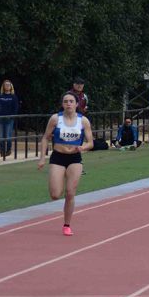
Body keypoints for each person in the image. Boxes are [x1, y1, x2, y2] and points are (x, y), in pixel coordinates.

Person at [37, 92, 94, 235]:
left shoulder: (83, 121)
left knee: (70, 193)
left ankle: (67, 225)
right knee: (55, 194)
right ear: (62, 104)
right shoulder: (56, 119)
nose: (68, 103)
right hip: (58, 157)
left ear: (76, 104)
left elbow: (91, 142)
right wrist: (42, 158)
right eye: (65, 101)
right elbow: (45, 138)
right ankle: (57, 180)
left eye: (71, 101)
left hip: (74, 159)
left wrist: (83, 147)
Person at [0, 79, 19, 159]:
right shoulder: (0, 96)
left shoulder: (13, 97)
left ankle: (8, 150)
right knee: (1, 136)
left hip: (9, 119)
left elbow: (16, 108)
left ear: (11, 87)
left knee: (8, 135)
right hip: (0, 119)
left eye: (8, 85)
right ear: (3, 86)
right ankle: (2, 150)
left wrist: (12, 116)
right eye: (5, 85)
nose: (7, 86)